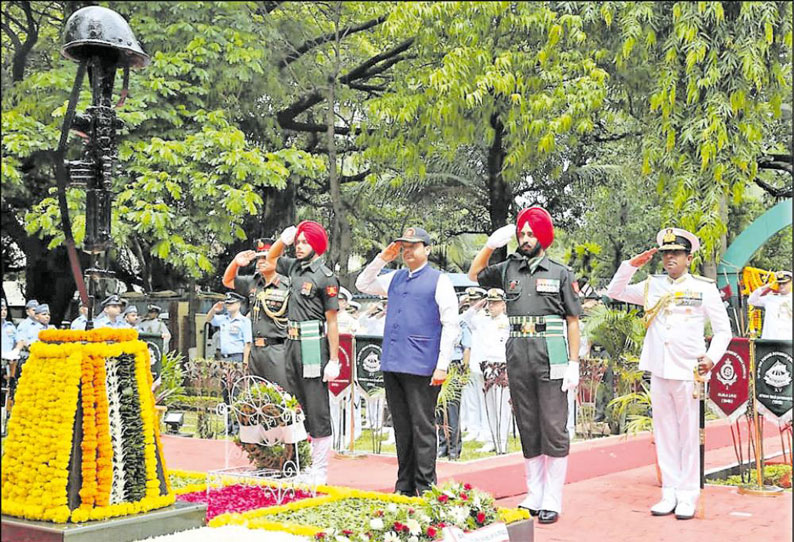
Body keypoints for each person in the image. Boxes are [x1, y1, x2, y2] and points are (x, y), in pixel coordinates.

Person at [606, 227, 731, 520]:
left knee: (688, 435)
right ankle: (669, 493)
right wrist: (630, 266)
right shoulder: (652, 286)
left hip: (689, 370)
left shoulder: (704, 288)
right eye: (666, 253)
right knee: (664, 433)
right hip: (660, 368)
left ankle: (688, 495)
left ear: (688, 257)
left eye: (676, 253)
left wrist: (712, 358)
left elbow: (724, 331)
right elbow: (614, 292)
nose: (670, 258)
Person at [468, 208, 581, 524]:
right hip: (518, 352)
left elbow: (573, 321)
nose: (526, 239)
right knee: (528, 424)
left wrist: (574, 362)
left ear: (543, 237)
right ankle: (535, 493)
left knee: (553, 425)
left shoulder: (560, 273)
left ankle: (553, 498)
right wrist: (491, 245)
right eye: (522, 234)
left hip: (551, 352)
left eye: (531, 234)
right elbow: (473, 274)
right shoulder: (508, 269)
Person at [356, 226, 459, 496]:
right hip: (394, 362)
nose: (408, 251)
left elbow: (451, 325)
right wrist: (382, 259)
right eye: (404, 246)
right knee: (402, 428)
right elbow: (362, 285)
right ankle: (404, 485)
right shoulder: (395, 277)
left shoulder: (439, 280)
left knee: (422, 427)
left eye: (414, 246)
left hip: (423, 364)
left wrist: (442, 364)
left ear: (427, 249)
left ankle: (425, 486)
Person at [266, 220, 341, 484]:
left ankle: (319, 470)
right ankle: (300, 464)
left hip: (313, 345)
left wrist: (334, 359)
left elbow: (332, 321)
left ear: (317, 245)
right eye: (297, 242)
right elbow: (271, 258)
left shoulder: (325, 276)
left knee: (316, 407)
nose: (299, 247)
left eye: (304, 242)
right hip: (291, 343)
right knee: (295, 405)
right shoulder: (295, 268)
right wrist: (282, 241)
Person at [222, 238, 290, 387]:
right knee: (255, 396)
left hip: (277, 349)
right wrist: (236, 263)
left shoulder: (287, 285)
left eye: (265, 258)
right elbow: (227, 281)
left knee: (280, 394)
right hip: (255, 350)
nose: (260, 262)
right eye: (259, 258)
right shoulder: (253, 281)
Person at [462, 288, 511, 454]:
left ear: (503, 304)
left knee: (501, 406)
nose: (492, 306)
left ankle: (502, 441)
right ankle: (491, 439)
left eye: (495, 303)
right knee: (488, 405)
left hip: (502, 367)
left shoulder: (508, 322)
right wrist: (479, 305)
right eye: (490, 303)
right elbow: (463, 319)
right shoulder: (482, 320)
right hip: (484, 367)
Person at [437, 294, 472, 461]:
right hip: (439, 367)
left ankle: (454, 448)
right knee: (438, 410)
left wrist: (464, 369)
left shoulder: (461, 324)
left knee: (452, 410)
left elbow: (467, 348)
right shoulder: (438, 323)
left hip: (455, 366)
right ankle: (442, 446)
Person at [459, 286, 492, 445]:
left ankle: (484, 430)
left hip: (485, 362)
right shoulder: (473, 316)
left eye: (476, 300)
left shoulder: (485, 316)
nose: (473, 303)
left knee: (484, 400)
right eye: (471, 300)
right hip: (473, 361)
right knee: (472, 399)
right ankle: (474, 427)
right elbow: (461, 319)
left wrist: (479, 306)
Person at [747, 270, 792, 340]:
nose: (781, 286)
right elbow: (751, 301)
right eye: (779, 284)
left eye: (784, 283)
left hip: (788, 340)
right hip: (769, 339)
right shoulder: (770, 298)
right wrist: (763, 288)